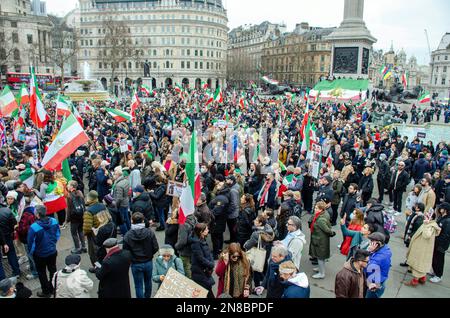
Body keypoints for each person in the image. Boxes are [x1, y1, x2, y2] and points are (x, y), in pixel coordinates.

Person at [123, 212, 159, 299]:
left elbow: (125, 252)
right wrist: (149, 255)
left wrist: (132, 258)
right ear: (143, 220)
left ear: (132, 221)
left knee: (138, 285)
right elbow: (155, 247)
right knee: (148, 282)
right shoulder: (149, 232)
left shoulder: (128, 235)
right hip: (148, 262)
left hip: (136, 264)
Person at [27, 205, 60, 298]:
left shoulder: (34, 227)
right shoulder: (54, 221)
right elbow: (57, 234)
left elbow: (31, 243)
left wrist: (31, 253)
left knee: (42, 273)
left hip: (40, 254)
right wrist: (52, 244)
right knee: (53, 270)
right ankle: (53, 288)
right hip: (52, 251)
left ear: (37, 214)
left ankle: (46, 292)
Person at [404, 212, 441, 287]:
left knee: (418, 266)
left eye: (427, 215)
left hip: (422, 250)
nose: (425, 216)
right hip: (421, 248)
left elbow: (426, 235)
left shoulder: (430, 226)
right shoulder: (430, 224)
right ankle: (422, 278)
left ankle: (414, 281)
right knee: (421, 266)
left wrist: (426, 225)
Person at [309, 201, 336, 279]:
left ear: (321, 209)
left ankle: (321, 273)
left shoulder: (320, 220)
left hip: (320, 240)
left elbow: (327, 230)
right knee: (321, 256)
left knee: (320, 257)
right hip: (320, 239)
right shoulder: (324, 213)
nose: (315, 209)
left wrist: (332, 233)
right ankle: (320, 269)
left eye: (316, 208)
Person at [190, 223, 215, 298]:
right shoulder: (196, 243)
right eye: (206, 229)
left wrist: (211, 262)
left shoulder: (202, 239)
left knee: (206, 291)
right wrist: (211, 264)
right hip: (200, 272)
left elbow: (208, 253)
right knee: (207, 292)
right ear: (201, 232)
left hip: (204, 271)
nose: (208, 230)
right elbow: (200, 258)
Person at [365, 232, 392, 298]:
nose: (369, 243)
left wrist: (369, 251)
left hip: (373, 286)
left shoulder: (378, 259)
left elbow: (365, 266)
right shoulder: (384, 249)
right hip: (378, 281)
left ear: (378, 244)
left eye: (371, 241)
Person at [400, 203, 425, 267]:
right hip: (409, 235)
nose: (414, 206)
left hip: (411, 237)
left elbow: (417, 229)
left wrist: (410, 236)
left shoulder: (419, 217)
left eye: (416, 206)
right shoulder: (415, 214)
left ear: (418, 208)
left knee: (412, 251)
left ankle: (410, 264)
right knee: (409, 250)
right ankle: (408, 262)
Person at [431, 202, 450, 283]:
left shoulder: (448, 220)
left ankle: (439, 275)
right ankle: (435, 271)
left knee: (439, 260)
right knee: (434, 258)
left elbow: (446, 235)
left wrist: (439, 243)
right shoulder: (441, 217)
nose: (439, 209)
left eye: (441, 208)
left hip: (441, 244)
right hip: (436, 242)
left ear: (445, 210)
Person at [66, 180, 86, 255]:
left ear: (72, 187)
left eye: (68, 185)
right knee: (81, 231)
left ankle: (77, 248)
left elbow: (69, 209)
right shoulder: (80, 192)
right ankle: (84, 246)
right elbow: (83, 204)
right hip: (81, 215)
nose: (67, 186)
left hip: (74, 217)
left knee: (74, 233)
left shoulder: (69, 196)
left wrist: (67, 220)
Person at [0, 206, 20, 279]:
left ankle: (2, 279)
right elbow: (14, 223)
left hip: (4, 235)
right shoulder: (7, 210)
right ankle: (16, 271)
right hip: (7, 235)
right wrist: (11, 231)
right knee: (11, 253)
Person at [175, 214, 197, 279]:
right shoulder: (193, 218)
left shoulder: (183, 224)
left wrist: (176, 246)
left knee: (186, 270)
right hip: (192, 249)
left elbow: (182, 241)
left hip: (184, 252)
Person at [112, 166, 131, 235]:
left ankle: (125, 235)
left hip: (121, 204)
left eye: (114, 174)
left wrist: (115, 205)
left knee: (121, 221)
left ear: (118, 175)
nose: (113, 175)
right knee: (126, 218)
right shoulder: (125, 181)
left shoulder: (118, 185)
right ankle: (130, 231)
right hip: (126, 202)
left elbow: (119, 198)